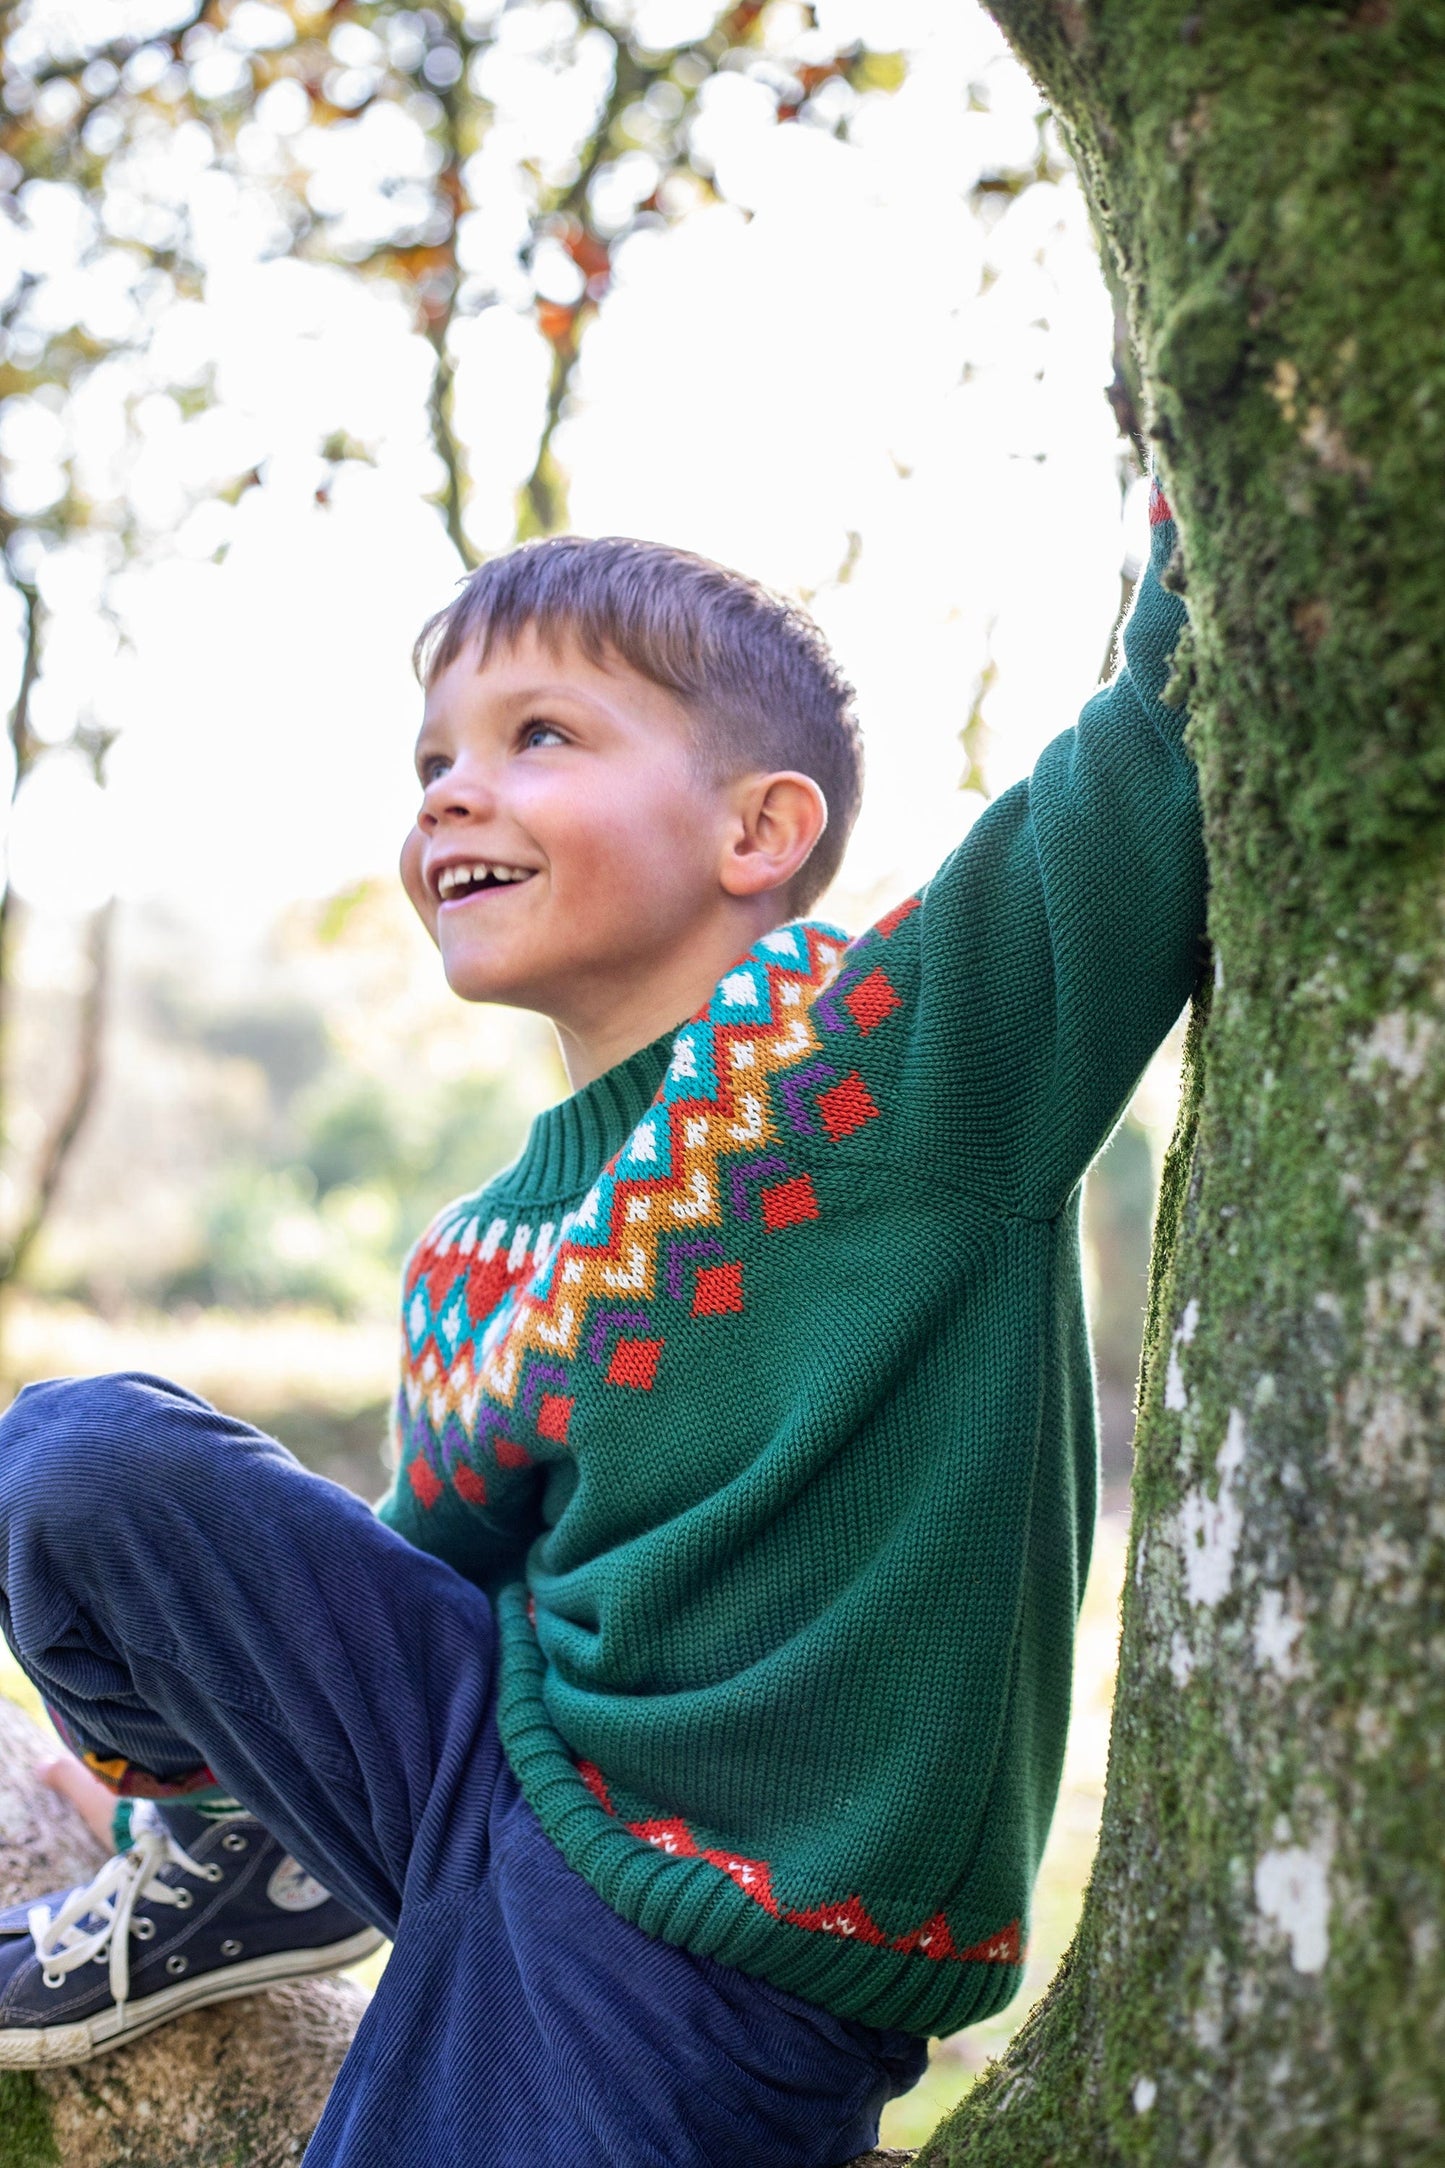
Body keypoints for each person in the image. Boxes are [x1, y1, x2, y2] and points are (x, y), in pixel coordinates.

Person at [0, 485, 1204, 2166]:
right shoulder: (476, 1252)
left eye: (540, 735)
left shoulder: (890, 1061)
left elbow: (1144, 769)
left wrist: (1199, 502)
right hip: (481, 1796)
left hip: (717, 1954)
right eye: (433, 760)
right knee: (77, 1454)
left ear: (757, 831)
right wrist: (176, 1754)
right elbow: (407, 1584)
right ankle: (233, 1853)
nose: (451, 792)